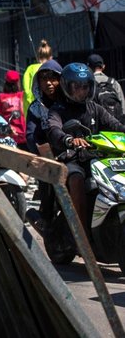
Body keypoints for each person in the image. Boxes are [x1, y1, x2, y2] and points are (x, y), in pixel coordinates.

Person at [47, 62, 125, 227]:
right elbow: (54, 130)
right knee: (76, 179)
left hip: (94, 157)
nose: (81, 92)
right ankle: (82, 234)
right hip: (71, 159)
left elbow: (116, 126)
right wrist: (69, 140)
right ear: (66, 87)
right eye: (76, 87)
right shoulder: (57, 110)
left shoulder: (94, 108)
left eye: (85, 87)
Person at [25, 60, 62, 155]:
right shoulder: (35, 108)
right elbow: (31, 136)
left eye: (52, 78)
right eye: (44, 79)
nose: (48, 83)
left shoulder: (70, 102)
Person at [0, 69, 27, 149]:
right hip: (24, 135)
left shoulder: (1, 97)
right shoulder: (22, 95)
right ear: (18, 82)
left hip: (7, 136)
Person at [87, 53, 125, 121]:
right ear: (103, 66)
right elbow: (123, 105)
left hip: (100, 124)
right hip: (117, 123)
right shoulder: (113, 82)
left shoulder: (89, 83)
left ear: (89, 67)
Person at [23, 39, 53, 113]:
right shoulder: (52, 68)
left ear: (38, 56)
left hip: (32, 109)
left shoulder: (30, 69)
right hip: (50, 109)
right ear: (50, 56)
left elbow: (27, 89)